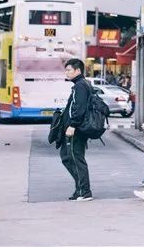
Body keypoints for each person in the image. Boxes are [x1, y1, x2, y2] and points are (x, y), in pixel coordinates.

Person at [60, 58, 93, 201]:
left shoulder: (80, 86)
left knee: (76, 158)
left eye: (69, 70)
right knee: (67, 157)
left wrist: (73, 125)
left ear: (77, 70)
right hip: (75, 128)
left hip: (77, 129)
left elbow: (79, 108)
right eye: (66, 70)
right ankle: (80, 188)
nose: (66, 73)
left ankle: (85, 191)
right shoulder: (80, 84)